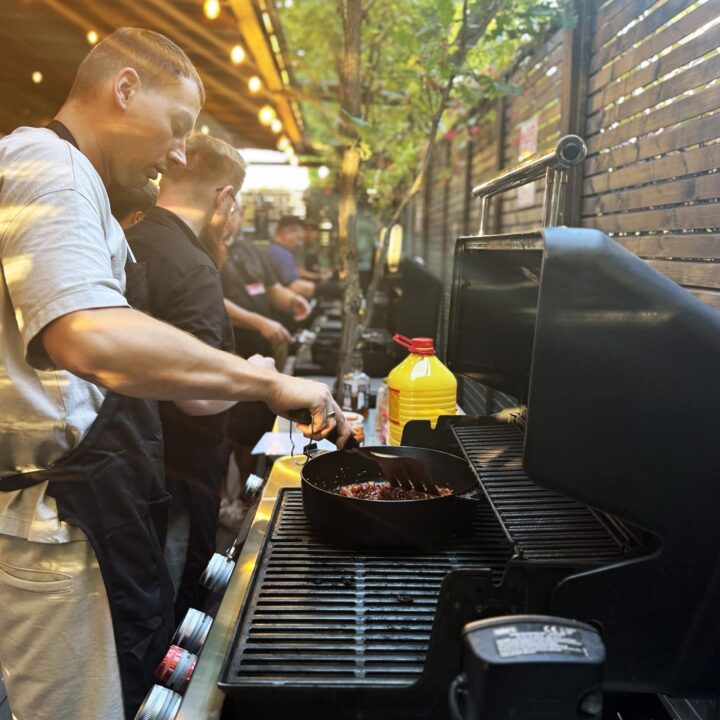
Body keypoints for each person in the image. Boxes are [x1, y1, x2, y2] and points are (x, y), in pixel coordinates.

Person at [0, 27, 348, 720]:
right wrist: (265, 383)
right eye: (178, 124)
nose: (180, 151)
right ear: (125, 89)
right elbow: (88, 334)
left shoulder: (76, 183)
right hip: (54, 520)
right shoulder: (48, 162)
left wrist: (236, 369)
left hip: (83, 508)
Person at [126, 132, 248, 623]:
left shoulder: (128, 238)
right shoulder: (194, 266)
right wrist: (256, 375)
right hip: (181, 471)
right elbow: (195, 394)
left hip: (130, 468)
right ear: (224, 197)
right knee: (175, 606)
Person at [264, 214, 316, 299]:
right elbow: (295, 286)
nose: (300, 245)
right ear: (287, 233)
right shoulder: (281, 254)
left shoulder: (271, 250)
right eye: (299, 239)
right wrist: (325, 288)